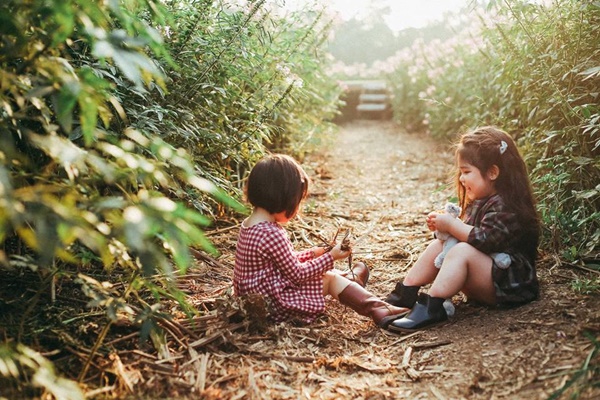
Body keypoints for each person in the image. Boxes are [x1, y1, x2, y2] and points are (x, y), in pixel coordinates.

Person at [385, 126, 540, 332]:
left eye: (467, 172)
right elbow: (462, 236)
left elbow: (484, 240)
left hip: (507, 285)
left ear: (493, 172)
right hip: (487, 278)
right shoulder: (480, 199)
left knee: (462, 251)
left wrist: (452, 225)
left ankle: (434, 305)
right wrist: (443, 230)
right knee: (438, 245)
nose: (461, 178)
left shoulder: (506, 205)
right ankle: (406, 293)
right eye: (461, 172)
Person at [234, 154, 408, 328]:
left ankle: (349, 282)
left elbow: (280, 263)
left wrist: (312, 254)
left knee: (326, 275)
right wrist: (331, 257)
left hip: (256, 302)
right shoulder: (271, 233)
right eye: (297, 202)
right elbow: (297, 274)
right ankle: (378, 308)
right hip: (273, 307)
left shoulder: (251, 225)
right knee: (329, 278)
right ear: (283, 197)